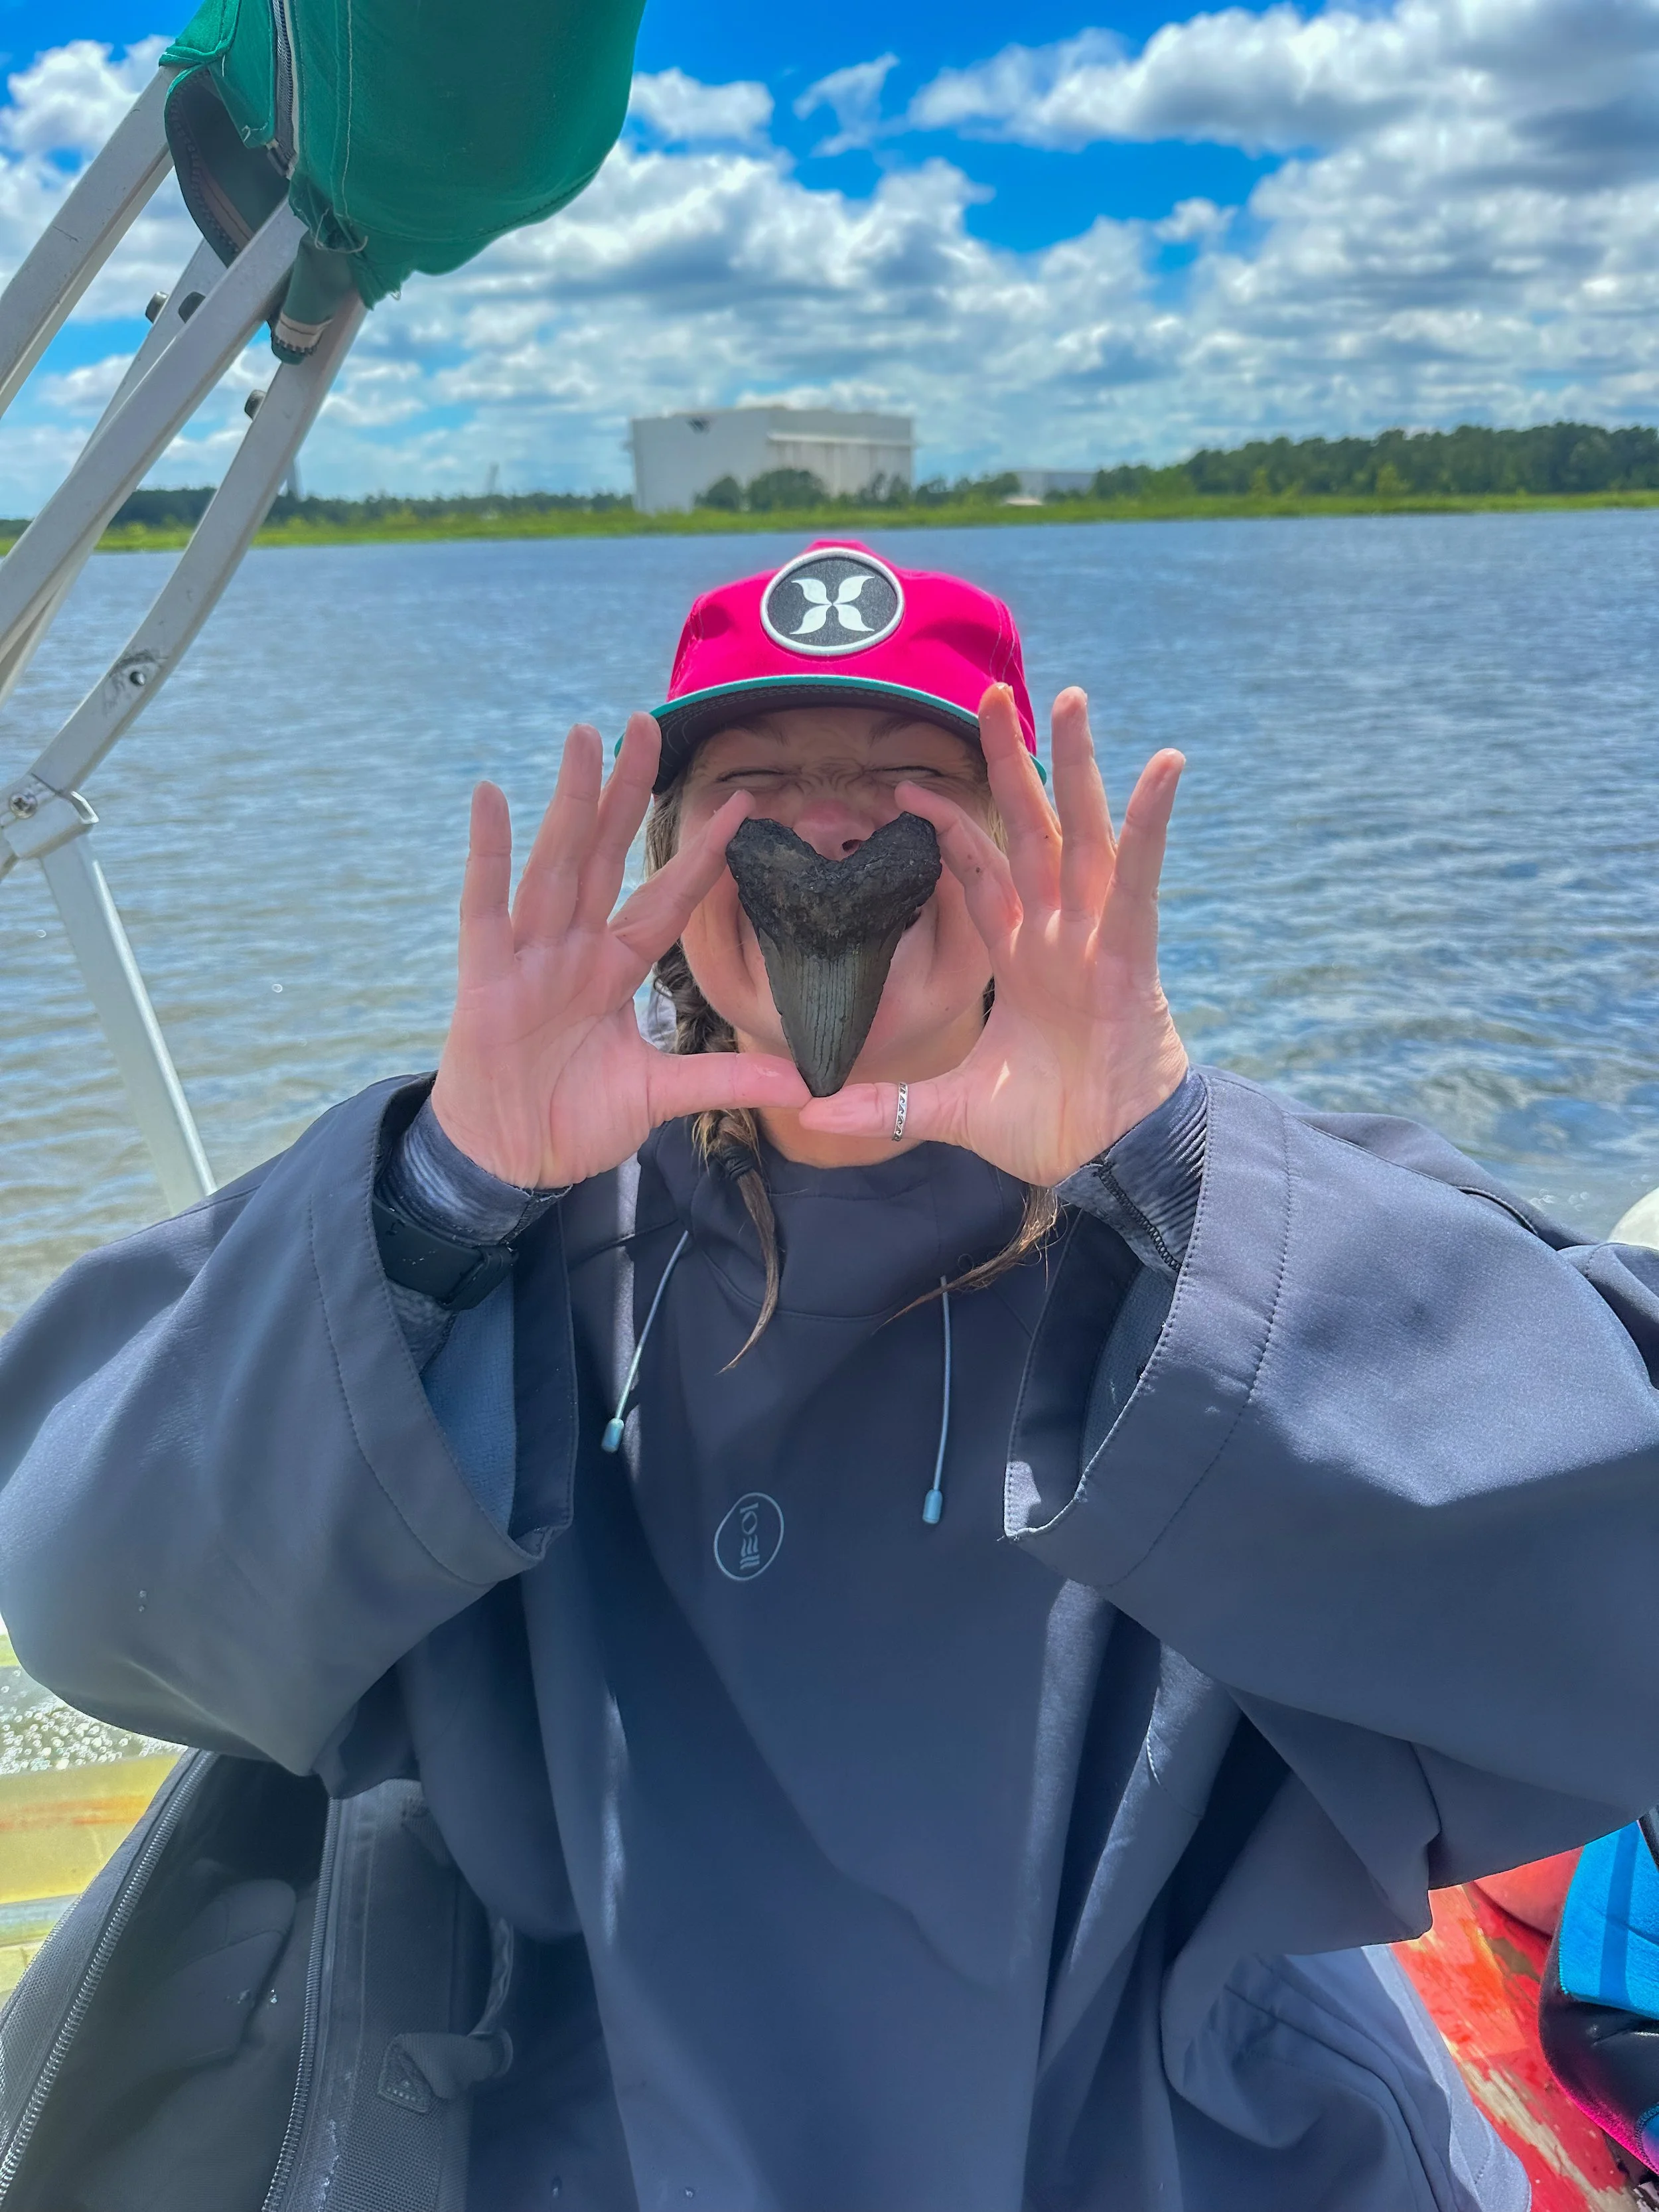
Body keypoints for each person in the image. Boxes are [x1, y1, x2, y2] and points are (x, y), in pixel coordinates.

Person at [3, 538, 1659, 2212]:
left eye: (912, 778)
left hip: (1138, 2130)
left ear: (1026, 855)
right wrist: (445, 1194)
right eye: (755, 780)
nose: (832, 822)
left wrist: (1164, 1168)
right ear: (666, 864)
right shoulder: (496, 1222)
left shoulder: (1229, 1229)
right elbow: (91, 1608)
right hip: (586, 2124)